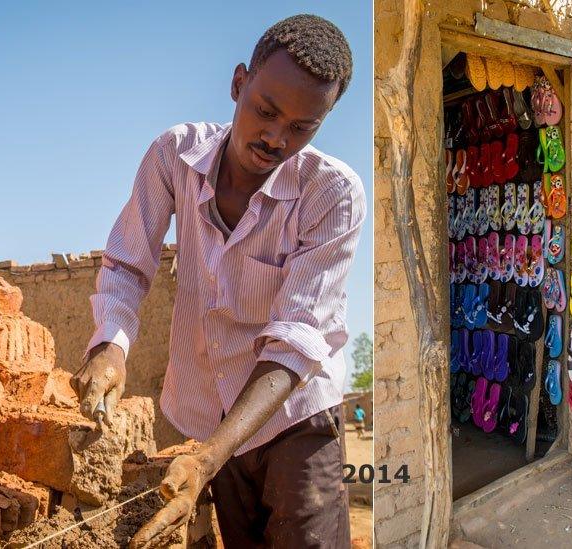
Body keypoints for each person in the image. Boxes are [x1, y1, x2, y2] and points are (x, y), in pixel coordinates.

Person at [70, 14, 364, 549]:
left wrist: (207, 457)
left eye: (301, 127)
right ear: (237, 84)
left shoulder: (332, 195)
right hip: (212, 413)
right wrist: (109, 344)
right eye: (266, 111)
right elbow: (129, 263)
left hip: (294, 418)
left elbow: (295, 342)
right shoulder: (174, 157)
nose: (276, 138)